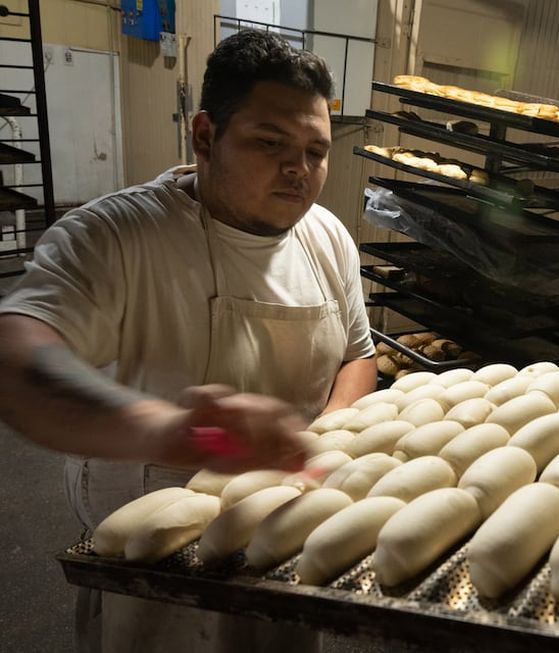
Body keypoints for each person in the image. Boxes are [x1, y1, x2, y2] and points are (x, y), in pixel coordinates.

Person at [0, 29, 376, 651]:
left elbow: (357, 356)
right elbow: (15, 362)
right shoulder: (116, 236)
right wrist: (173, 431)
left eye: (316, 150)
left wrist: (328, 434)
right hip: (155, 561)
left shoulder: (326, 236)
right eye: (270, 142)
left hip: (285, 535)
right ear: (204, 136)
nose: (299, 170)